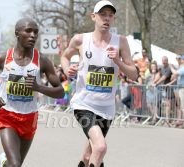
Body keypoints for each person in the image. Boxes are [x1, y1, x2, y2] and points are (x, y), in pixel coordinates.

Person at [0, 18, 64, 167]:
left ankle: (5, 162)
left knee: (15, 164)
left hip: (30, 117)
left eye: (35, 32)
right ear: (17, 33)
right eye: (28, 31)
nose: (33, 35)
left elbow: (60, 92)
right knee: (15, 164)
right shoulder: (3, 58)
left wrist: (39, 87)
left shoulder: (42, 61)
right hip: (8, 115)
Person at [60, 1, 138, 167]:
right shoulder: (81, 40)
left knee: (89, 156)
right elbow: (64, 57)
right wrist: (68, 70)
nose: (107, 18)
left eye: (110, 15)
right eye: (103, 15)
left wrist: (118, 61)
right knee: (100, 147)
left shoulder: (121, 42)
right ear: (93, 17)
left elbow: (134, 74)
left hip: (106, 108)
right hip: (84, 104)